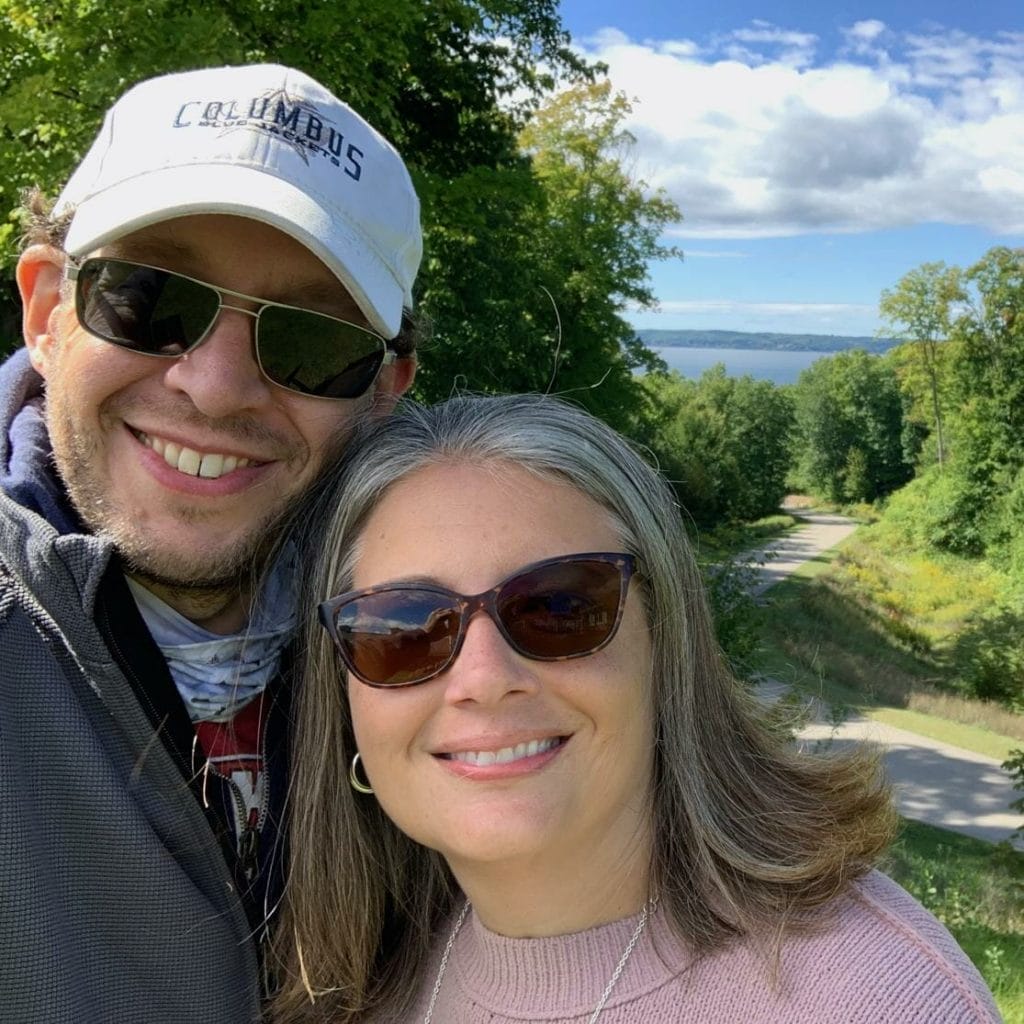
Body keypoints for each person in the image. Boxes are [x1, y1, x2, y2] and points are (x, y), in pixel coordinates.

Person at [271, 394, 1001, 1024]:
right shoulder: (355, 985)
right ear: (346, 698)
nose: (484, 679)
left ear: (666, 645)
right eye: (403, 629)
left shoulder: (873, 997)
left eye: (559, 606)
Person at [1, 62, 421, 1023]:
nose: (217, 386)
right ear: (46, 312)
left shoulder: (454, 639)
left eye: (311, 338)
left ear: (383, 388)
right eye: (149, 297)